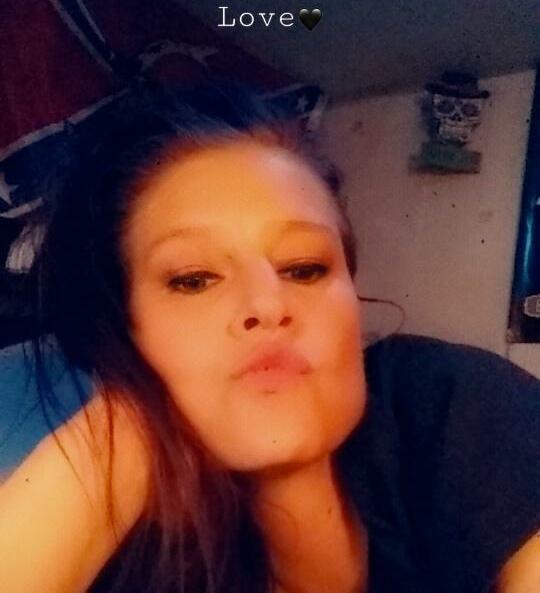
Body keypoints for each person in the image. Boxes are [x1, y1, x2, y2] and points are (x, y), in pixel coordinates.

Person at [0, 76, 539, 593]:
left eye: (304, 268)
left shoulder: (446, 404)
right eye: (194, 279)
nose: (268, 303)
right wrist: (122, 433)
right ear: (124, 335)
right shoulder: (128, 558)